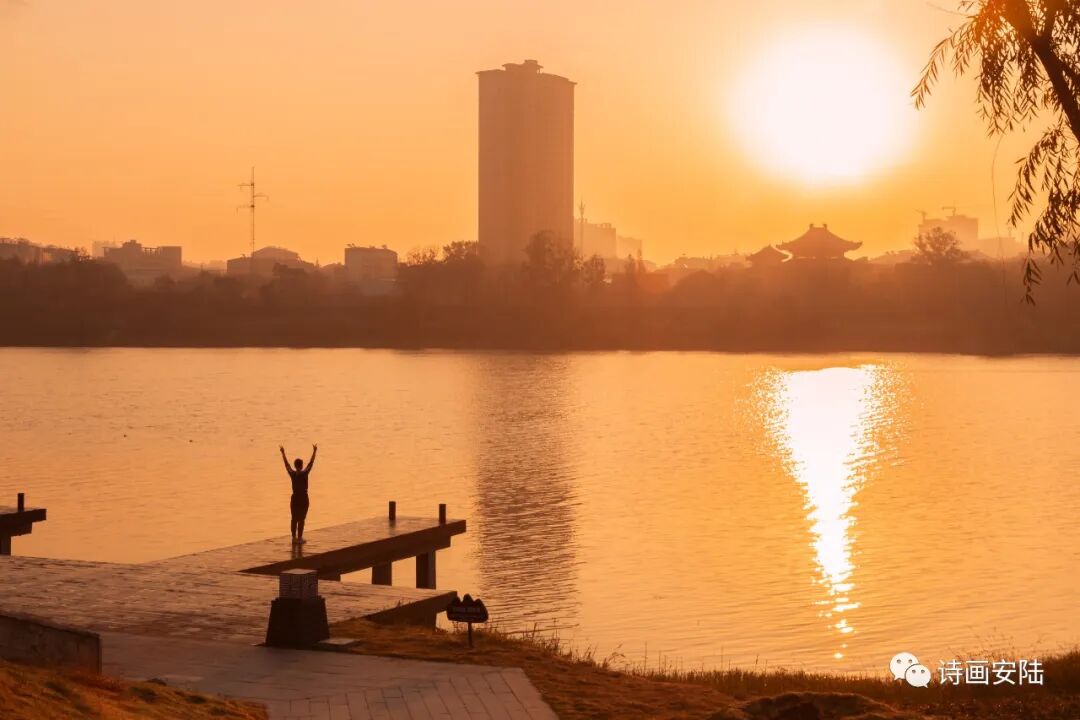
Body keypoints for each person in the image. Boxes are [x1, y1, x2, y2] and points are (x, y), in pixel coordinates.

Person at [279, 443, 317, 544]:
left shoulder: (293, 474)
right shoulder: (305, 473)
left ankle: (294, 537)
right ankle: (299, 538)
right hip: (303, 498)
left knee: (294, 518)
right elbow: (311, 463)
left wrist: (283, 453)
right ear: (301, 465)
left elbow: (286, 465)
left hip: (295, 498)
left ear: (295, 466)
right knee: (301, 518)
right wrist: (314, 451)